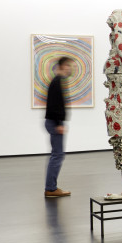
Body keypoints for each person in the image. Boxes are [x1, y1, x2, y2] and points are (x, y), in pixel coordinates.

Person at [44, 56, 73, 198]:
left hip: (55, 122)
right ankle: (50, 189)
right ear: (61, 66)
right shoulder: (57, 82)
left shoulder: (59, 81)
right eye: (68, 66)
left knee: (57, 155)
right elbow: (53, 105)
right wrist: (58, 124)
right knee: (57, 155)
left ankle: (51, 187)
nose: (70, 69)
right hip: (55, 123)